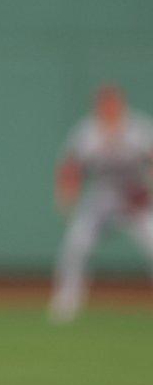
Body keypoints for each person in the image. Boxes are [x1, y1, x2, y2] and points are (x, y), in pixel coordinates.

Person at [50, 84, 153, 322]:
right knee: (76, 244)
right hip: (102, 196)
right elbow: (71, 165)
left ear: (121, 104)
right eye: (103, 104)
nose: (108, 108)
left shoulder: (138, 129)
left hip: (134, 196)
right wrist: (68, 192)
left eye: (112, 103)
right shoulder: (87, 131)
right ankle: (67, 302)